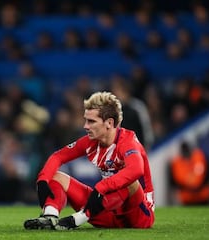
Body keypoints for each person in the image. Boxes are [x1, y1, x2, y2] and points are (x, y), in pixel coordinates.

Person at [24, 91, 155, 230]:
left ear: (109, 123)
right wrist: (43, 180)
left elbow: (136, 170)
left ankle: (79, 218)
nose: (85, 126)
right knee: (54, 176)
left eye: (91, 121)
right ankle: (50, 216)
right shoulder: (91, 141)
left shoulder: (128, 142)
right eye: (86, 120)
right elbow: (58, 156)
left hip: (138, 216)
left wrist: (101, 187)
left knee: (130, 183)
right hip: (103, 209)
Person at [170, 141, 209, 205]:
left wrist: (198, 186)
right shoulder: (177, 163)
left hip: (202, 195)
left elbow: (208, 173)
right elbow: (175, 181)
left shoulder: (199, 157)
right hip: (187, 197)